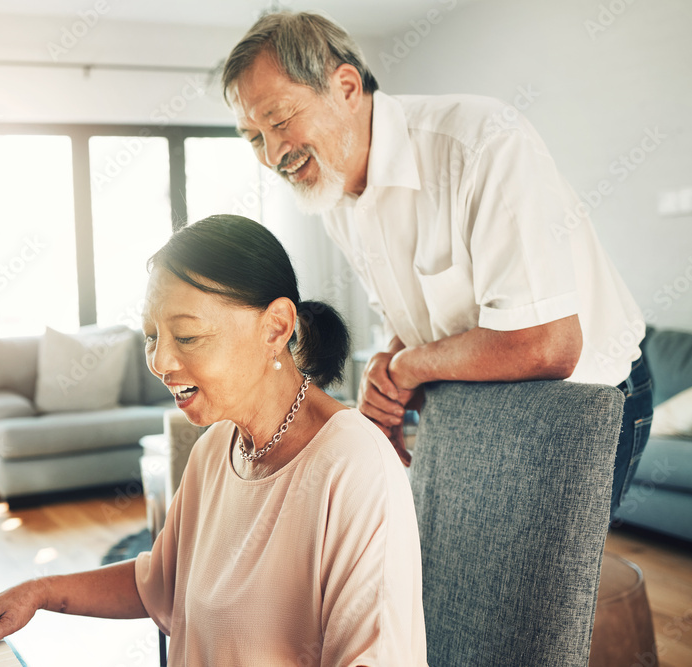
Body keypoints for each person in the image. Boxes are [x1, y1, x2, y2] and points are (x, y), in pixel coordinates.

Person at [221, 11, 652, 515]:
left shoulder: (481, 143)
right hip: (479, 409)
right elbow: (417, 319)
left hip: (589, 403)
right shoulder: (333, 193)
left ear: (345, 86)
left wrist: (407, 367)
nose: (272, 154)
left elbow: (548, 343)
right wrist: (388, 362)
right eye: (253, 138)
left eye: (278, 120)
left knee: (540, 592)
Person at [0, 215, 428, 665]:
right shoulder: (216, 448)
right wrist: (38, 591)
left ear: (276, 328)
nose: (160, 361)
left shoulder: (355, 466)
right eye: (151, 336)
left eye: (187, 336)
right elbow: (160, 583)